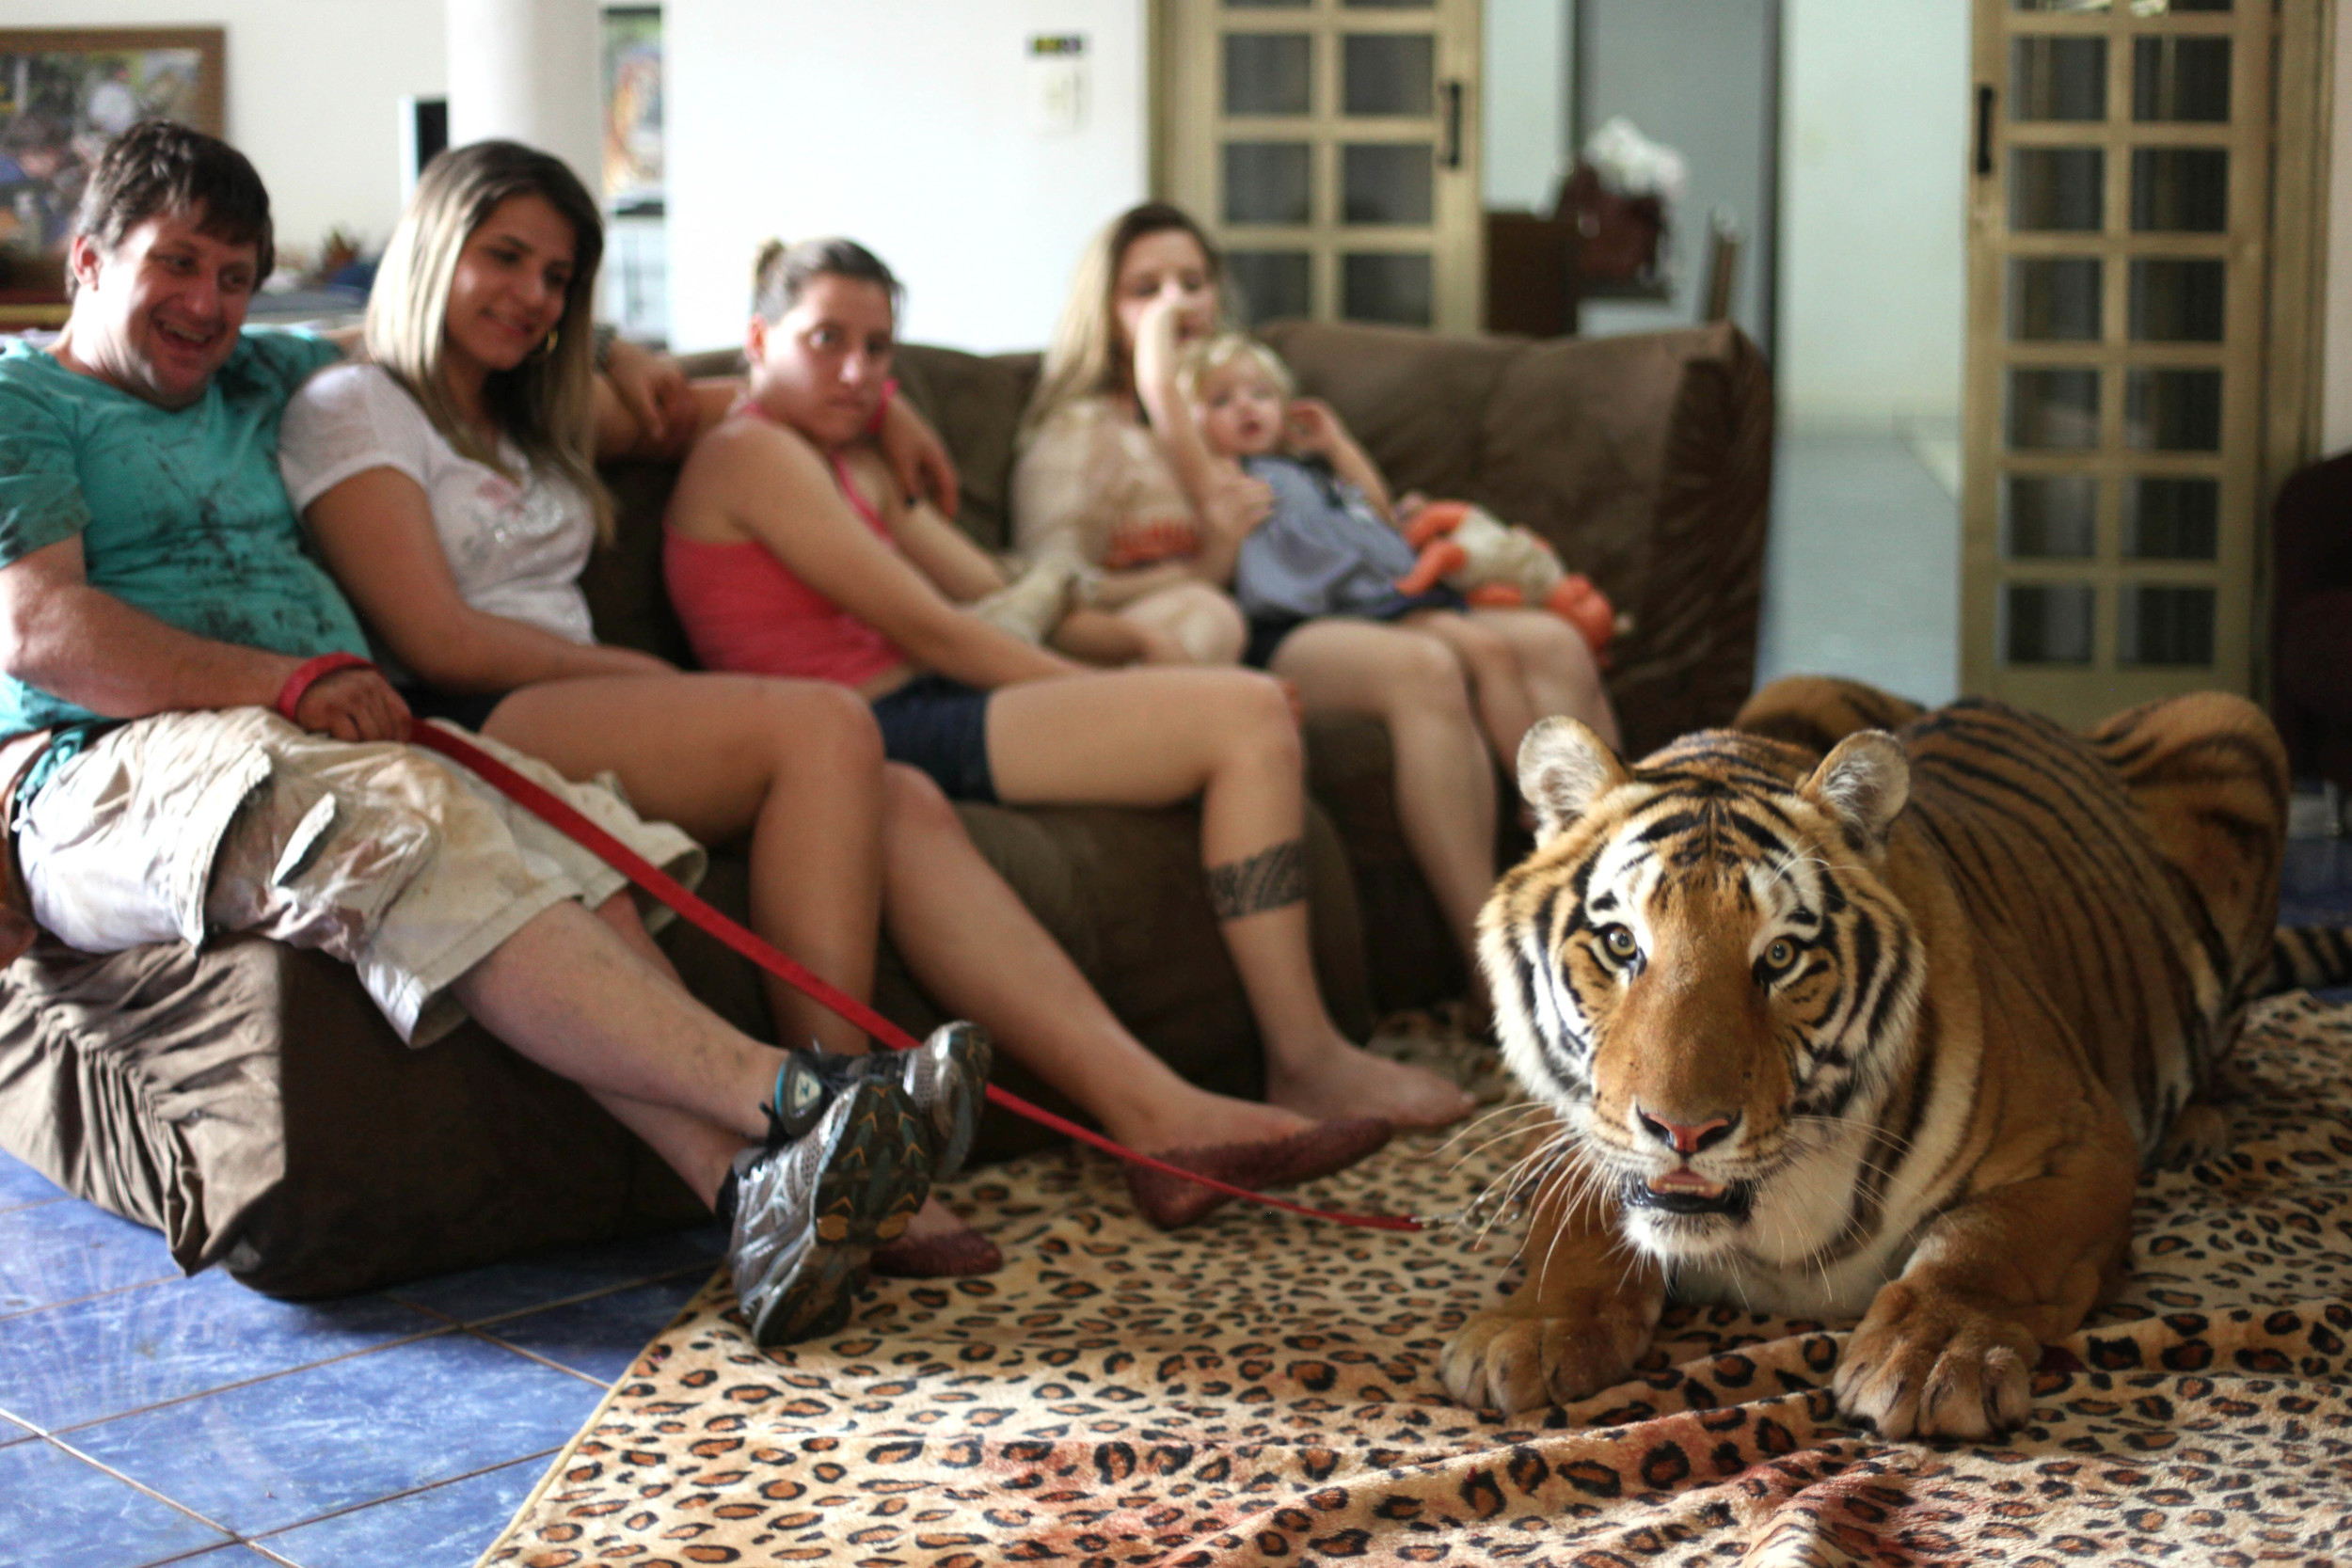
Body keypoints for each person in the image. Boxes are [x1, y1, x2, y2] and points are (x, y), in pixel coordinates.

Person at [278, 140, 1403, 1244]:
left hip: (584, 701)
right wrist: (637, 672)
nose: (530, 295)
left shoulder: (533, 407)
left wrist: (882, 407)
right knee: (829, 722)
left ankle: (1157, 1122)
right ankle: (850, 1134)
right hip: (479, 717)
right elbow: (439, 637)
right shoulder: (355, 402)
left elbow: (716, 401)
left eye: (557, 276)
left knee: (898, 793)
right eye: (504, 257)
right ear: (432, 246)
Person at [0, 119, 953, 1347]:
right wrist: (285, 681)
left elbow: (452, 340)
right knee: (406, 823)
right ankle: (803, 1098)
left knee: (585, 846)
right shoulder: (23, 396)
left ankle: (751, 1198)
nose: (207, 304)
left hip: (320, 737)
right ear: (85, 259)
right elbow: (40, 628)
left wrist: (870, 412)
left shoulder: (262, 372)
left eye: (234, 276)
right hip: (109, 763)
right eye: (176, 265)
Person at [661, 234, 1477, 1147]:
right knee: (1243, 714)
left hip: (924, 699)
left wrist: (1132, 645)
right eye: (824, 340)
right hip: (875, 724)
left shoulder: (852, 458)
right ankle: (1306, 1054)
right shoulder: (754, 455)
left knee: (1232, 703)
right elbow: (937, 629)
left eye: (878, 348)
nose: (856, 371)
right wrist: (1100, 687)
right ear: (759, 339)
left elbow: (991, 589)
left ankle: (1298, 1052)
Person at [1015, 203, 1620, 994]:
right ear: (1103, 308)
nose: (1176, 304)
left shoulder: (1238, 395)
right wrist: (1199, 567)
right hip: (1257, 623)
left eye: (1193, 282)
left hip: (1338, 595)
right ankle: (1492, 965)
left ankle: (1613, 902)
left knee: (1553, 644)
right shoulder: (1087, 433)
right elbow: (1051, 588)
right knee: (1427, 665)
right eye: (1146, 288)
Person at [1139, 323, 1613, 776]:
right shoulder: (1224, 478)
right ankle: (1543, 794)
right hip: (1322, 611)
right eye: (1222, 400)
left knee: (1496, 650)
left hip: (1380, 594)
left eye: (1261, 395)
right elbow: (1166, 402)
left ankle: (1584, 797)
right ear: (1196, 420)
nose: (1246, 407)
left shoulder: (1311, 474)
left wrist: (1340, 448)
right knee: (1482, 649)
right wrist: (1166, 314)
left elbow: (1380, 519)